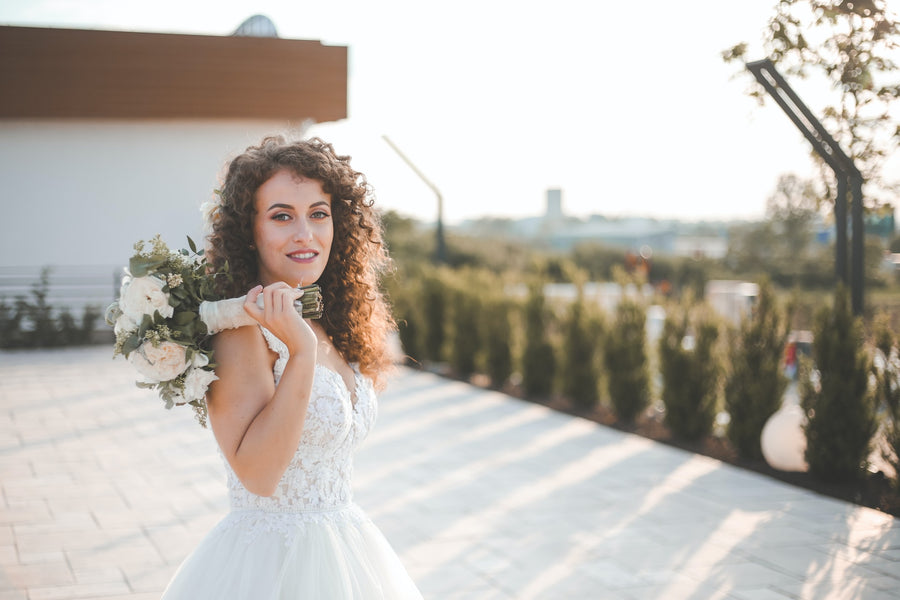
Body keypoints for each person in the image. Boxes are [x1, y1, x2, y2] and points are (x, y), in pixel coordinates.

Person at [161, 136, 423, 599]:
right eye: (282, 216)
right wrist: (300, 353)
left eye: (318, 214)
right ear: (250, 231)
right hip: (269, 567)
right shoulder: (240, 331)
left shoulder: (327, 319)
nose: (305, 233)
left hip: (347, 549)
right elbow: (258, 476)